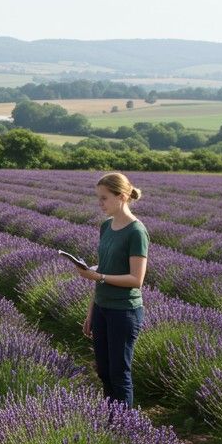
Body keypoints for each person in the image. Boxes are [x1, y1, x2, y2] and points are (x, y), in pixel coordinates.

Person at [77, 172, 150, 407]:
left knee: (119, 374)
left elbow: (136, 279)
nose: (100, 203)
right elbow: (105, 271)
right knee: (104, 371)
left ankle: (125, 429)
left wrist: (98, 275)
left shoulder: (137, 232)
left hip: (123, 311)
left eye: (104, 198)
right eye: (98, 198)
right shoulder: (106, 226)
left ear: (122, 196)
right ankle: (112, 421)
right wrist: (91, 311)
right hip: (102, 307)